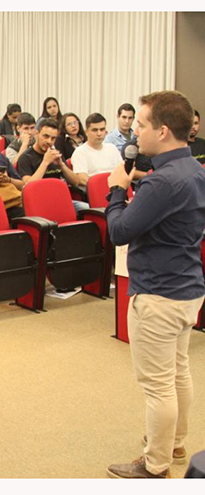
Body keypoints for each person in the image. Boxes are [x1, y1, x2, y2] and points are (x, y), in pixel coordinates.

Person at [105, 91, 205, 479]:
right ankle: (175, 442)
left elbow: (119, 231)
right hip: (187, 286)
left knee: (158, 385)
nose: (136, 133)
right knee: (178, 372)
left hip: (159, 293)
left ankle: (155, 465)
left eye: (142, 125)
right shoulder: (194, 169)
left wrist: (117, 189)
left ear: (162, 131)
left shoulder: (161, 182)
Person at [16, 119, 86, 213]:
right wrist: (45, 162)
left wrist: (62, 165)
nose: (49, 141)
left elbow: (75, 182)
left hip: (60, 199)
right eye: (45, 136)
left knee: (90, 210)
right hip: (39, 202)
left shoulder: (55, 154)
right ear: (37, 134)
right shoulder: (25, 158)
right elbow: (28, 186)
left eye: (53, 138)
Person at [71, 113, 123, 186]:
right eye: (95, 130)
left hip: (116, 188)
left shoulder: (112, 148)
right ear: (86, 132)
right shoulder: (80, 152)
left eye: (102, 129)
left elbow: (122, 172)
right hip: (96, 189)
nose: (99, 134)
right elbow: (82, 180)